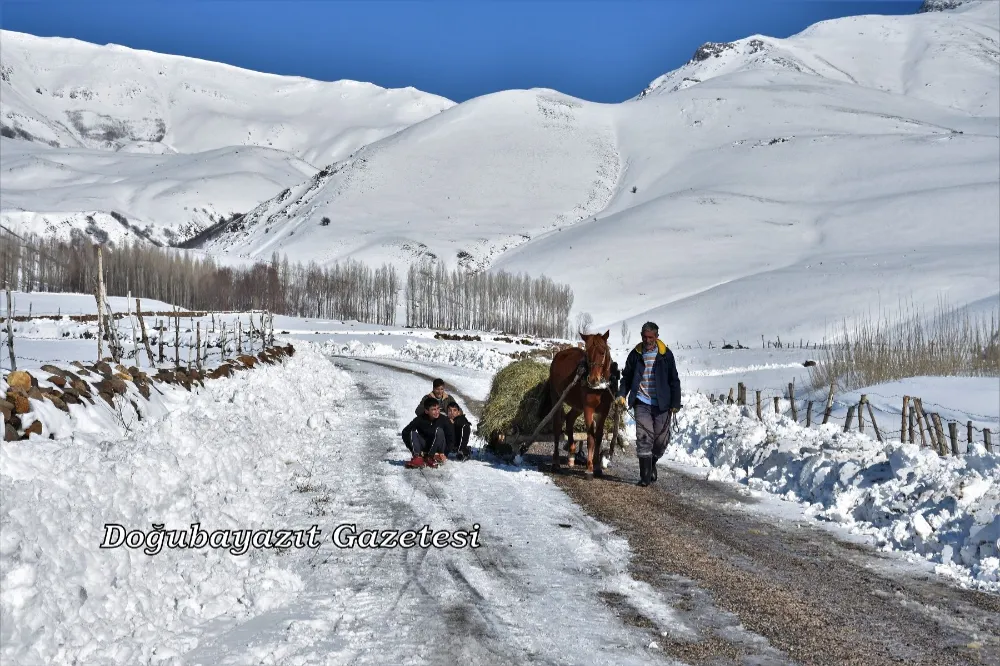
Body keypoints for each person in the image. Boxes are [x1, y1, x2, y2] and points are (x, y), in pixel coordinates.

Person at [615, 321, 681, 487]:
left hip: (662, 404)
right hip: (642, 402)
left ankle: (652, 463)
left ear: (657, 337)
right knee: (644, 437)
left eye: (650, 337)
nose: (647, 340)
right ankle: (644, 477)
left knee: (661, 440)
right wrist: (622, 394)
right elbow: (627, 378)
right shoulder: (635, 355)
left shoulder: (666, 355)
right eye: (644, 337)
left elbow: (674, 380)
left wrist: (675, 402)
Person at [402, 396, 455, 468]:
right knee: (412, 432)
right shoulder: (420, 419)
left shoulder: (444, 420)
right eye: (433, 409)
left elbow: (451, 438)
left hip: (438, 449)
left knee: (439, 431)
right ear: (426, 411)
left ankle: (432, 457)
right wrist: (411, 448)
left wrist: (445, 453)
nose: (437, 412)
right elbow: (405, 432)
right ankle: (417, 457)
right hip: (425, 446)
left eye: (438, 409)